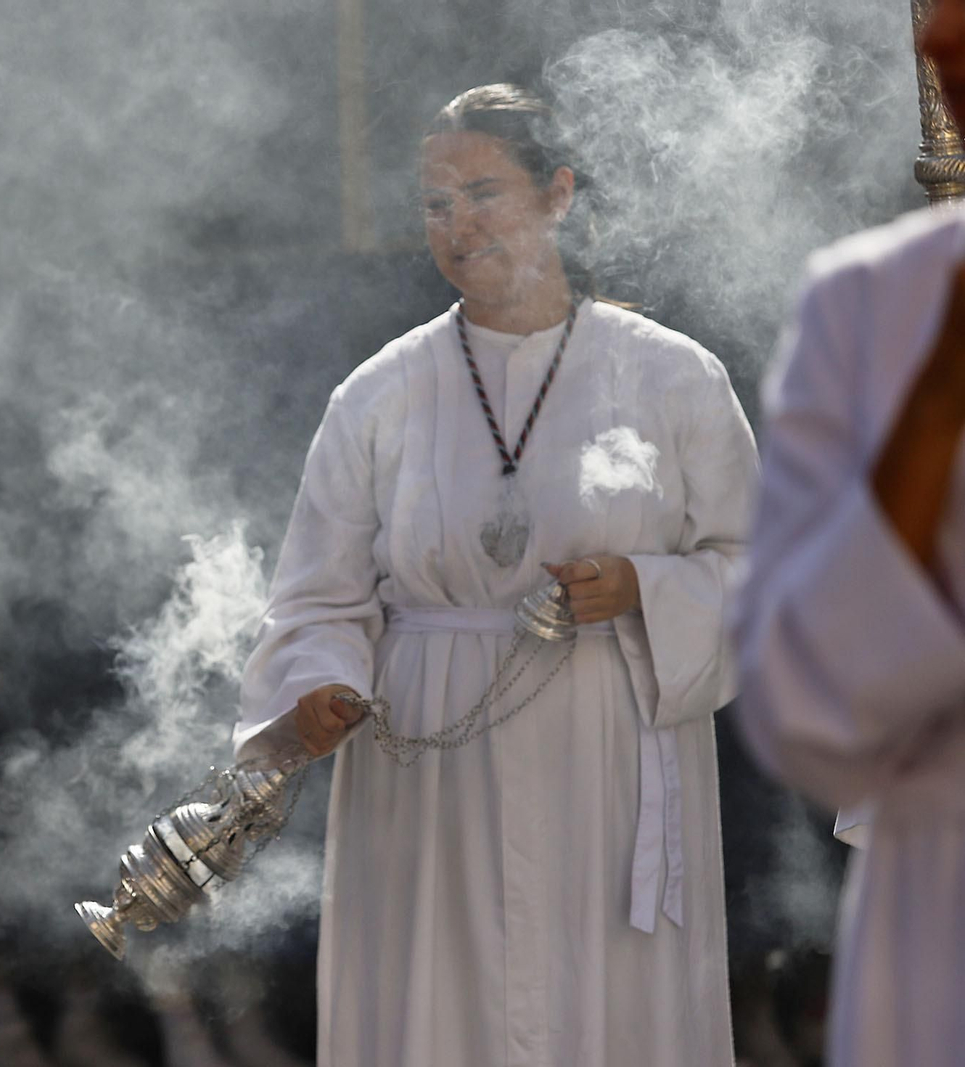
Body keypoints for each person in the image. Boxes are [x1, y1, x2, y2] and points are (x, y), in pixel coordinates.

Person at [236, 84, 758, 1066]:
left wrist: (645, 584)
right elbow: (319, 593)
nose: (456, 224)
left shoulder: (672, 375)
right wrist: (316, 686)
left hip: (602, 755)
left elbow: (759, 571)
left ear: (557, 193)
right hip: (429, 774)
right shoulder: (379, 393)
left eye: (483, 193)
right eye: (435, 204)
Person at [732, 3, 965, 1063]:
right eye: (937, 32)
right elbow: (802, 708)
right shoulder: (867, 303)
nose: (935, 53)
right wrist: (936, 394)